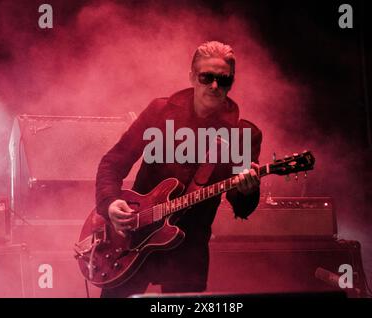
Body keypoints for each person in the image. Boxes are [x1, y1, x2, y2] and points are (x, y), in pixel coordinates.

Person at [95, 41, 263, 298]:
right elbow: (113, 162)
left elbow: (241, 206)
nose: (215, 86)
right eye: (207, 77)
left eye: (224, 79)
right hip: (130, 236)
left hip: (187, 252)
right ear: (192, 77)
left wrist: (248, 190)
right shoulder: (160, 112)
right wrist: (110, 203)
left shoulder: (243, 135)